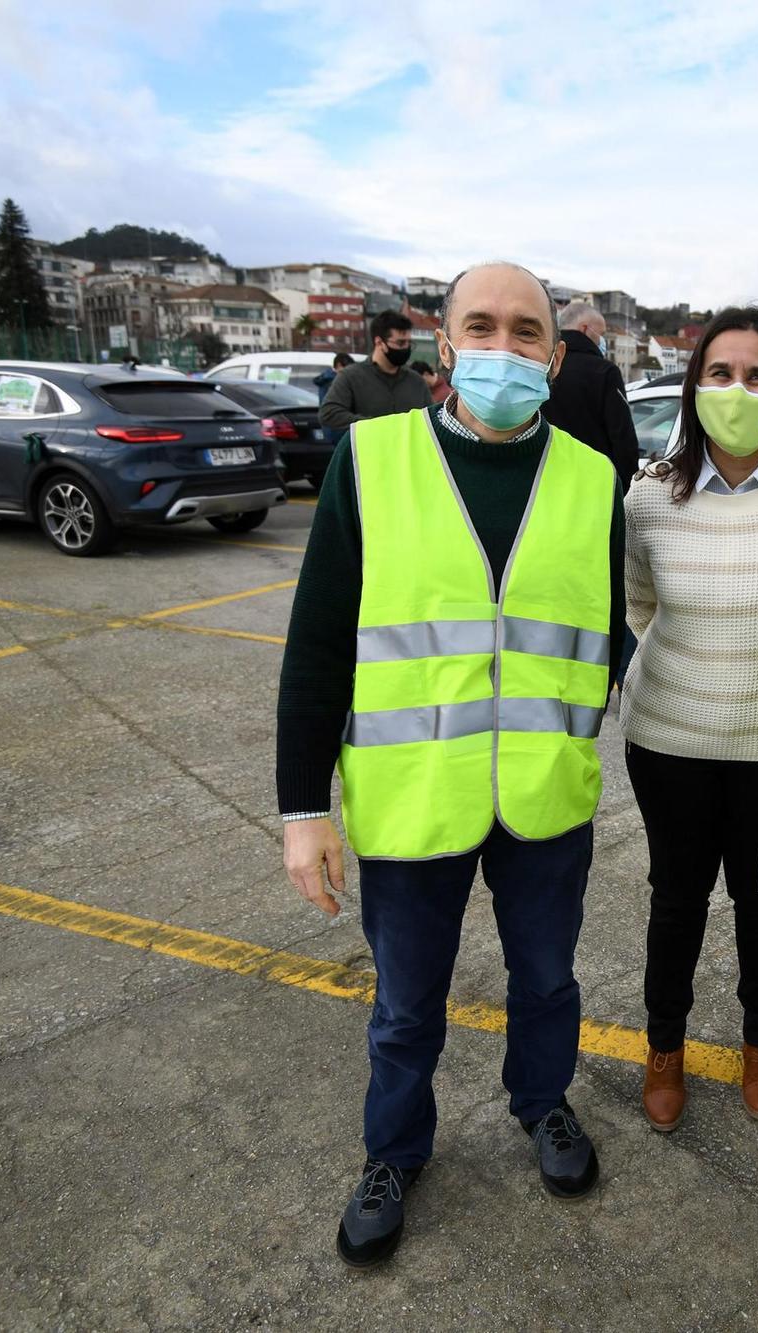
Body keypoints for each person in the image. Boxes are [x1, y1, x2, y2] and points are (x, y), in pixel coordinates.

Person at [277, 261, 625, 1268]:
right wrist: (304, 809)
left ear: (555, 359)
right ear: (443, 341)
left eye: (526, 333)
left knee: (548, 980)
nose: (503, 349)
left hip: (544, 798)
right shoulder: (370, 459)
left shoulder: (591, 477)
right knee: (404, 1005)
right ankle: (392, 1152)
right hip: (411, 798)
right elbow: (317, 646)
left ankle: (541, 1101)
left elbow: (604, 632)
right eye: (482, 325)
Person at [622, 307, 758, 1134]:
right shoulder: (648, 497)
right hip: (670, 738)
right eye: (720, 373)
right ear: (694, 386)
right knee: (675, 899)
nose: (738, 390)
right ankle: (665, 1046)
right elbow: (639, 607)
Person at [545, 301, 640, 491]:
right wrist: (627, 489)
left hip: (546, 479)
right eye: (602, 334)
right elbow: (622, 436)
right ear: (586, 329)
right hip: (594, 483)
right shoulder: (604, 372)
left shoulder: (544, 367)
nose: (602, 341)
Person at [319, 311, 432, 447]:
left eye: (409, 343)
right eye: (401, 343)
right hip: (368, 459)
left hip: (409, 460)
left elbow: (431, 420)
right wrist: (375, 426)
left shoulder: (416, 382)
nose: (406, 348)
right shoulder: (351, 376)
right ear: (379, 342)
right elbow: (329, 413)